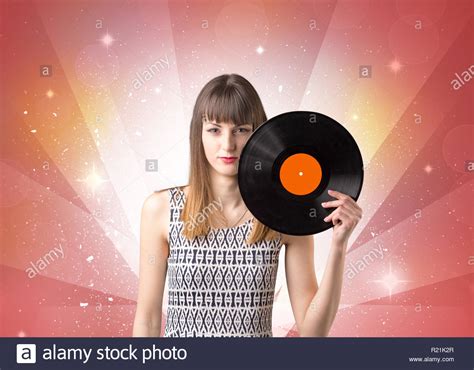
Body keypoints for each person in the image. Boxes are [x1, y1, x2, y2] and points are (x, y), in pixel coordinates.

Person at [132, 74, 363, 337]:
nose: (228, 145)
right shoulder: (160, 210)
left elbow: (313, 331)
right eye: (215, 129)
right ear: (199, 134)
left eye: (241, 129)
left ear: (260, 133)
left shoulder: (286, 216)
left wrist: (339, 244)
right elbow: (148, 320)